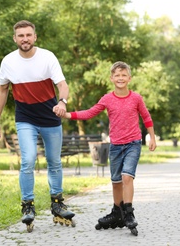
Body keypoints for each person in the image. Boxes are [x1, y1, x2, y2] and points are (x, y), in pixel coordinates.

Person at [54, 61, 156, 236]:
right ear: (111, 78)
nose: (121, 78)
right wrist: (68, 114)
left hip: (133, 143)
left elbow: (146, 117)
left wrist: (152, 137)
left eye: (124, 75)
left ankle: (129, 213)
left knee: (126, 177)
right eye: (117, 75)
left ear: (129, 78)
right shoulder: (107, 99)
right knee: (116, 181)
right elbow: (90, 112)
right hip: (116, 146)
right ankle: (117, 212)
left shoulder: (136, 98)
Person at [0, 20, 75, 231]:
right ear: (15, 38)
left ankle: (57, 204)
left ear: (35, 37)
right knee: (27, 160)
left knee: (54, 161)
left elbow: (62, 85)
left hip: (50, 116)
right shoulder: (8, 61)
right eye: (21, 36)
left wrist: (62, 102)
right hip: (25, 117)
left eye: (28, 35)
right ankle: (27, 206)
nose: (25, 39)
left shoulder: (47, 57)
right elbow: (2, 91)